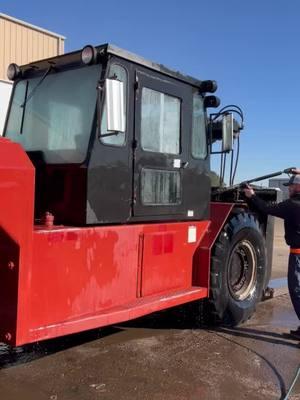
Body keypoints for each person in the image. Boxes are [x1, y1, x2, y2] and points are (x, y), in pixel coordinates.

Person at [244, 170, 300, 340]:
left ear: (298, 186)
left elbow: (267, 208)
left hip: (298, 256)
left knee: (296, 290)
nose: (288, 189)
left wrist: (252, 196)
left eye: (290, 186)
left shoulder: (292, 205)